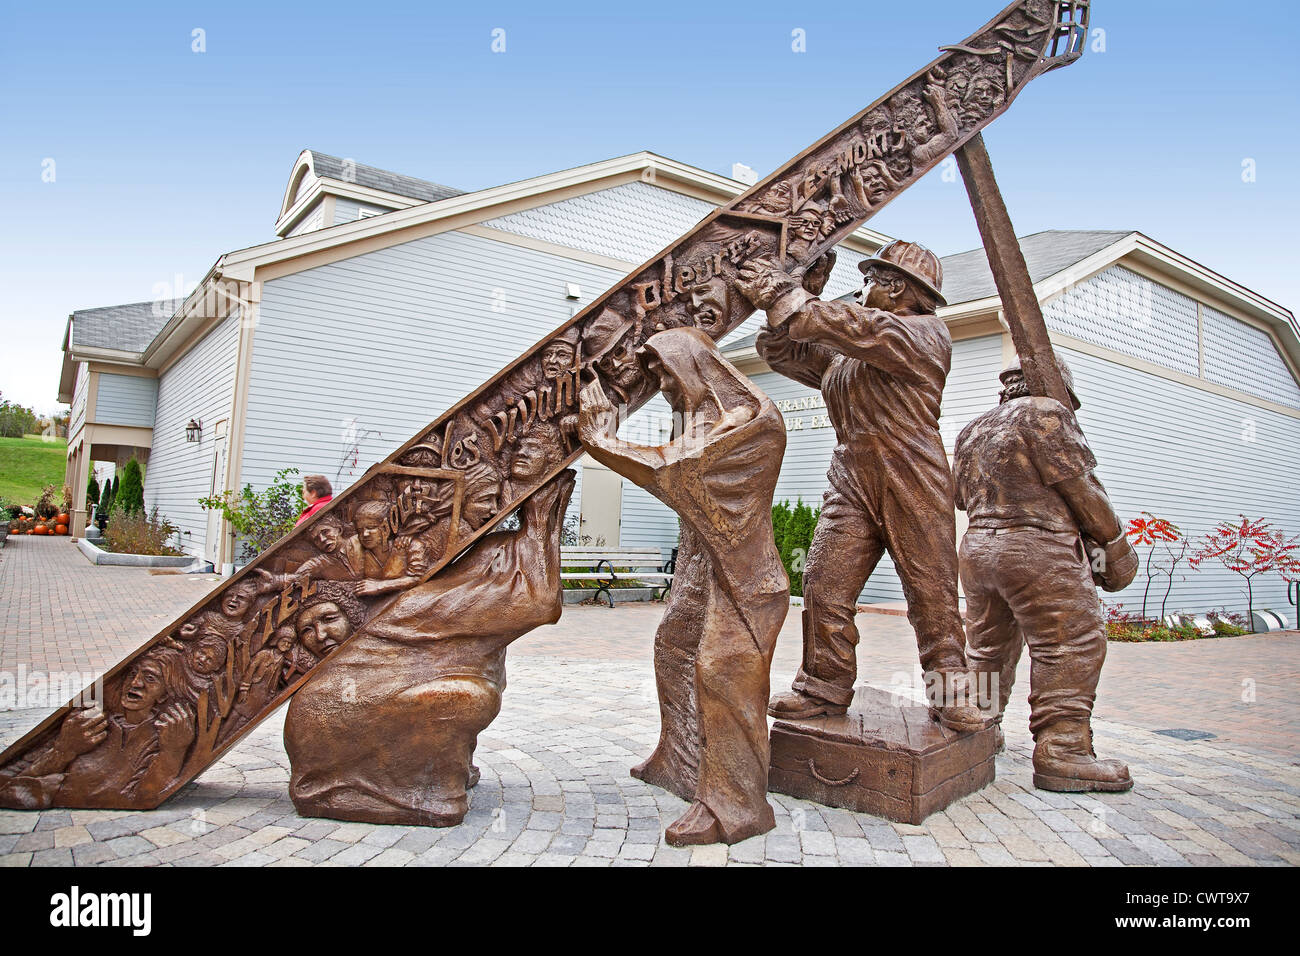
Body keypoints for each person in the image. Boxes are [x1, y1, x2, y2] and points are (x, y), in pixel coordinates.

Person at [734, 239, 986, 731]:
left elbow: (849, 326)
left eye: (870, 281)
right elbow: (787, 351)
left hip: (910, 473)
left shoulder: (922, 334)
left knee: (930, 592)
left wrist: (787, 293)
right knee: (824, 584)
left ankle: (950, 691)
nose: (863, 290)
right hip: (851, 475)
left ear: (898, 290)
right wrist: (805, 290)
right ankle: (822, 687)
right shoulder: (850, 357)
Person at [578, 327, 788, 846]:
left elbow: (678, 473)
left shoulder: (754, 421)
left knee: (721, 673)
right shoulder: (700, 420)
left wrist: (602, 441)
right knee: (672, 647)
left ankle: (736, 808)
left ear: (695, 365)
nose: (666, 391)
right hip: (704, 573)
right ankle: (681, 762)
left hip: (747, 584)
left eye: (667, 377)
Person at [283, 467, 576, 826]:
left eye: (494, 500)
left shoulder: (482, 550)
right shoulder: (417, 594)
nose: (490, 509)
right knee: (470, 696)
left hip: (339, 710)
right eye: (483, 500)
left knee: (483, 674)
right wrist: (544, 510)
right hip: (333, 724)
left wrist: (545, 511)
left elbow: (530, 598)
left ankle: (433, 772)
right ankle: (414, 789)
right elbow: (536, 604)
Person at [954, 357, 1138, 791]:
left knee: (986, 647)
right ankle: (1064, 749)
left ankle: (978, 730)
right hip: (1039, 550)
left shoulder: (973, 429)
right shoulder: (1047, 414)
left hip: (979, 550)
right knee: (1070, 643)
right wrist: (1114, 543)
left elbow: (960, 498)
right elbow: (1083, 489)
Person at [0, 649, 194, 809]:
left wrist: (173, 752)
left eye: (150, 678)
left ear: (164, 695)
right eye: (133, 674)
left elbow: (144, 794)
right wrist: (63, 750)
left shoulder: (161, 737)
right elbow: (9, 781)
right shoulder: (88, 723)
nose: (136, 683)